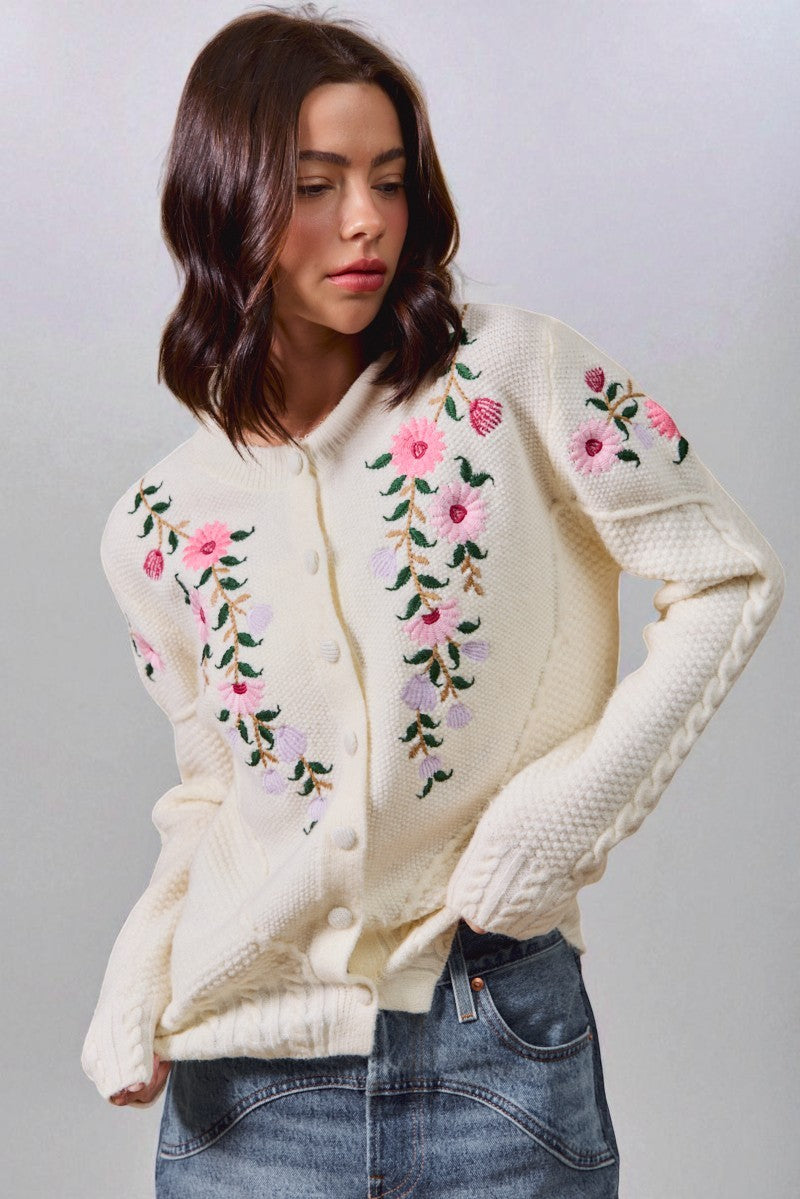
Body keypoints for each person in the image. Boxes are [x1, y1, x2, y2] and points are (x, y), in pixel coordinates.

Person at [81, 5, 785, 1196]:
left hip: (494, 1044)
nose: (365, 218)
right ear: (223, 202)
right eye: (315, 185)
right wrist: (138, 966)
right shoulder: (156, 523)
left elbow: (724, 567)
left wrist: (562, 813)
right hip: (244, 1086)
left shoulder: (510, 376)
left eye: (389, 180)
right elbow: (213, 791)